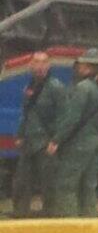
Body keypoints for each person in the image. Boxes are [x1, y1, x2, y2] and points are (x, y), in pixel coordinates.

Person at [47, 48, 98, 218]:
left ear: (88, 67)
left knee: (66, 185)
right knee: (88, 186)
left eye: (80, 65)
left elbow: (72, 118)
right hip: (96, 140)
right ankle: (89, 226)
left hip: (79, 143)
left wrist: (56, 140)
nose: (78, 67)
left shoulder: (83, 88)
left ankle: (70, 227)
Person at [12, 51, 66, 218]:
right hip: (29, 141)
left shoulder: (56, 87)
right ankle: (20, 214)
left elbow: (64, 116)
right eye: (36, 62)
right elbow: (26, 112)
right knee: (21, 182)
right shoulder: (30, 86)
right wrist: (20, 135)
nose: (40, 66)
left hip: (46, 142)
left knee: (48, 183)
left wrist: (56, 140)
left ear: (49, 65)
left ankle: (51, 217)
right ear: (30, 65)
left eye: (43, 62)